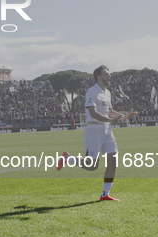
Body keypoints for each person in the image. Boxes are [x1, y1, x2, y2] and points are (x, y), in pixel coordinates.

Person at [57, 65, 137, 201]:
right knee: (92, 166)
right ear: (98, 77)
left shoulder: (107, 93)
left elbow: (110, 112)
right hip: (94, 131)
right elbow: (93, 113)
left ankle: (105, 194)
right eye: (106, 74)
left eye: (108, 74)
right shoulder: (91, 92)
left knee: (113, 160)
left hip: (107, 130)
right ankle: (67, 158)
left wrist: (124, 116)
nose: (109, 76)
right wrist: (111, 120)